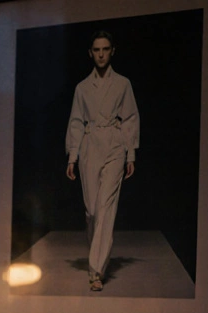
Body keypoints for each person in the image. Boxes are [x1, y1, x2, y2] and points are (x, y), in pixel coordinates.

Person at [65, 30, 139, 292]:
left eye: (105, 49)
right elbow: (75, 122)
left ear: (112, 51)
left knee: (106, 210)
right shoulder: (82, 88)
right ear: (90, 53)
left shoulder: (123, 84)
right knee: (93, 211)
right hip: (89, 145)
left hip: (115, 144)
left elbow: (130, 118)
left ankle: (96, 271)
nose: (101, 54)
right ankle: (96, 254)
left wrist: (131, 153)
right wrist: (72, 157)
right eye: (97, 49)